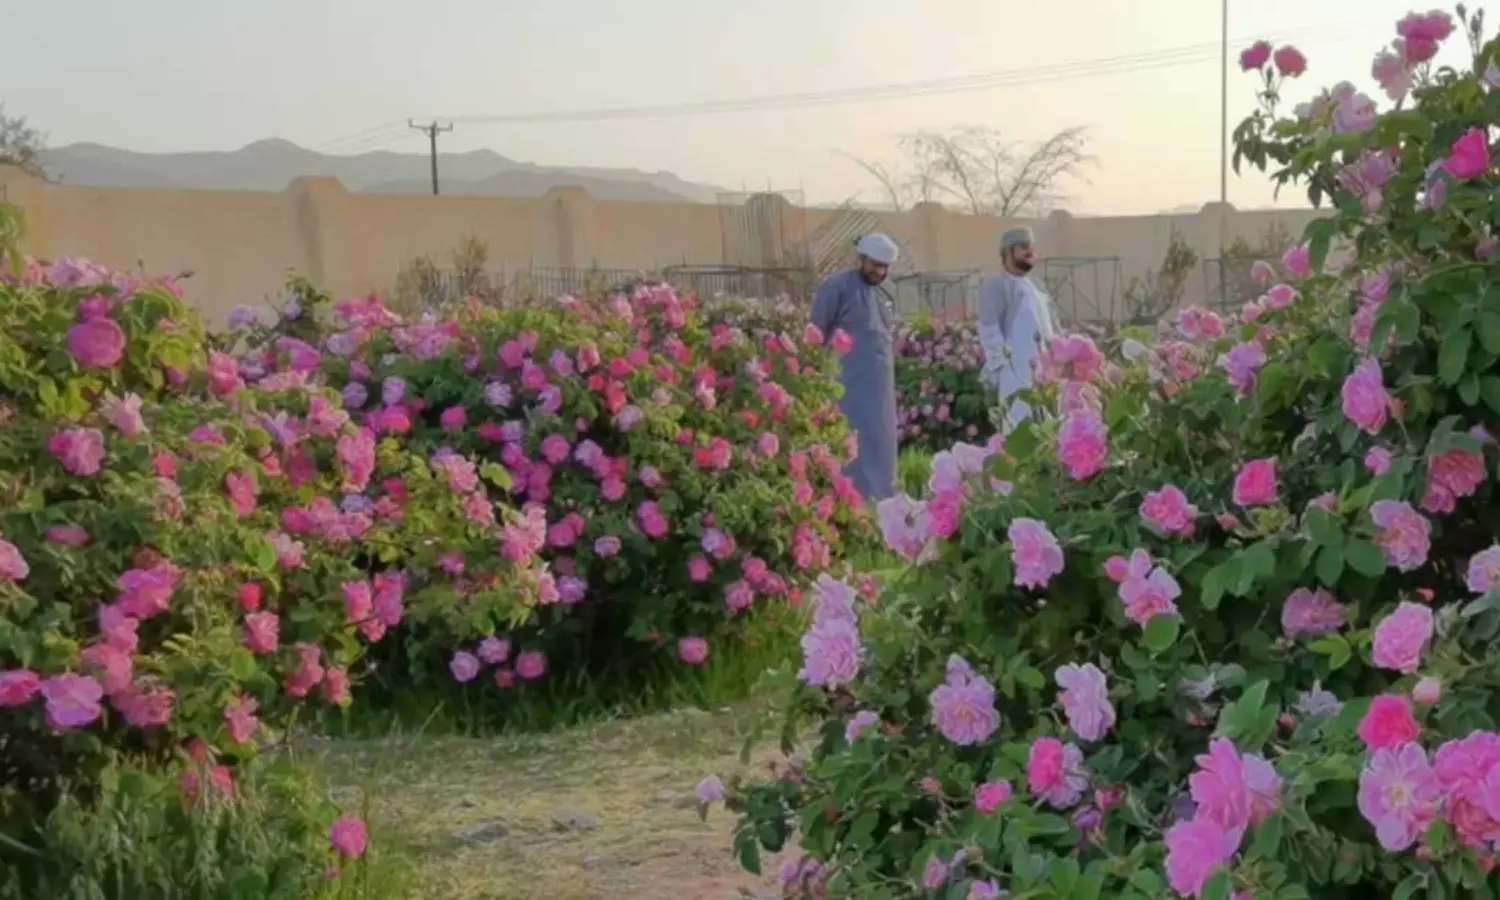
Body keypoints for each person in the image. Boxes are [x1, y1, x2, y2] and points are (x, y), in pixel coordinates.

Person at [810, 232, 900, 504]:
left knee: (881, 444)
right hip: (847, 386)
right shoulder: (836, 287)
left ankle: (882, 503)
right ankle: (848, 504)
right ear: (860, 259)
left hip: (880, 389)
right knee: (850, 448)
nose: (880, 272)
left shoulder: (885, 292)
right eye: (875, 265)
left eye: (884, 267)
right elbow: (814, 335)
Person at [977, 227, 1059, 431]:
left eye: (1031, 247)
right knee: (1020, 427)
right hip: (1016, 374)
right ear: (1007, 253)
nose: (1030, 252)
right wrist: (1001, 366)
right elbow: (988, 328)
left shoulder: (1037, 287)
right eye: (1023, 247)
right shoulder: (997, 286)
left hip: (1045, 371)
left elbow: (1051, 328)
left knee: (1049, 427)